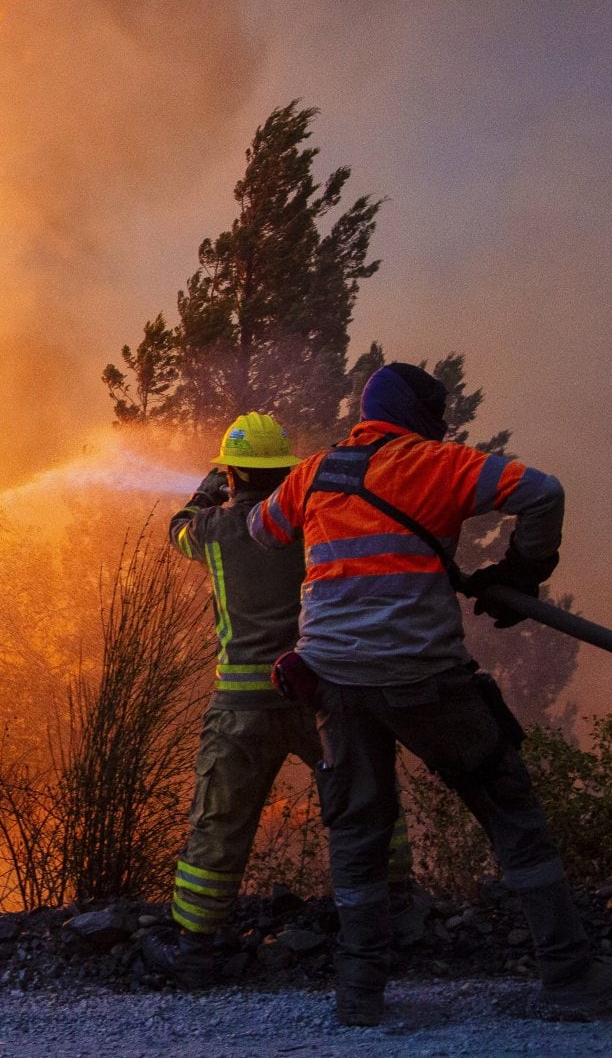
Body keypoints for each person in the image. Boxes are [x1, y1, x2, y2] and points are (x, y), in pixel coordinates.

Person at [248, 362, 612, 1025]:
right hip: (422, 677)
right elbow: (542, 491)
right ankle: (570, 971)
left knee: (358, 830)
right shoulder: (437, 462)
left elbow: (264, 529)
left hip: (335, 681)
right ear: (418, 416)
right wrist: (523, 571)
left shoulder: (315, 471)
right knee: (508, 806)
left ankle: (360, 995)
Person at [160, 411, 413, 988]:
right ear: (286, 472)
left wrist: (206, 489)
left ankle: (198, 951)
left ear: (232, 472)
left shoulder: (214, 532)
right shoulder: (311, 522)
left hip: (240, 708)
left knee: (219, 821)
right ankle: (396, 912)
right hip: (316, 691)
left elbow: (178, 526)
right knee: (364, 797)